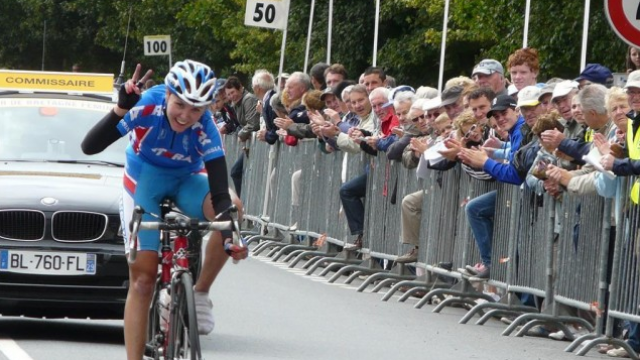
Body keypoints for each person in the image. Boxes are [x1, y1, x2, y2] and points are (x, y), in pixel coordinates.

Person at [81, 60, 248, 360]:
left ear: (207, 108)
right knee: (143, 280)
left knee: (233, 209)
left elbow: (221, 193)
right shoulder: (145, 105)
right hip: (144, 180)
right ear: (167, 94)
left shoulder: (207, 127)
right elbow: (89, 147)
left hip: (187, 180)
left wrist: (229, 239)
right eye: (179, 104)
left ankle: (199, 292)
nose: (186, 116)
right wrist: (121, 109)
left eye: (196, 109)